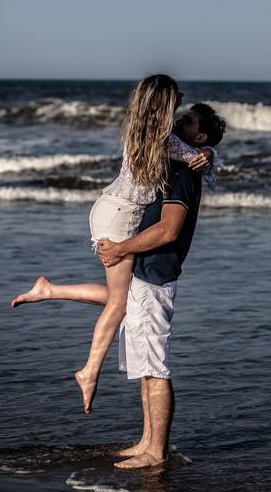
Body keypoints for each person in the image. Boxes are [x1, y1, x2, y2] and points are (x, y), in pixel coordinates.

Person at [10, 75, 221, 415]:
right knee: (122, 304)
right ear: (165, 105)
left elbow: (198, 156)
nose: (180, 108)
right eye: (177, 104)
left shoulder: (139, 129)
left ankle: (49, 290)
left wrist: (207, 152)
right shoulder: (164, 142)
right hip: (121, 218)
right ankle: (89, 371)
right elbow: (199, 159)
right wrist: (208, 152)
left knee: (126, 298)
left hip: (111, 209)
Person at [97, 103, 226, 469]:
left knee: (156, 369)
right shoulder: (177, 162)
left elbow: (168, 230)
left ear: (199, 136)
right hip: (145, 271)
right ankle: (146, 440)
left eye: (186, 121)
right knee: (144, 366)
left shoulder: (184, 172)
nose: (177, 122)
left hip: (157, 274)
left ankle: (157, 452)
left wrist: (121, 248)